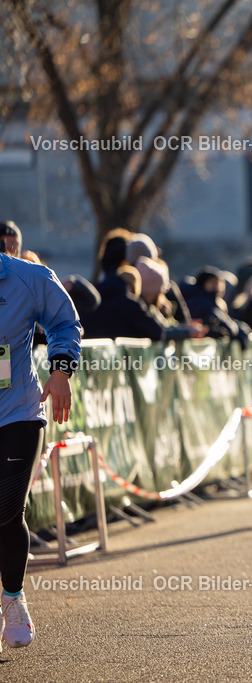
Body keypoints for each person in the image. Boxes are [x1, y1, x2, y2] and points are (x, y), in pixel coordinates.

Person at [0, 247, 82, 652]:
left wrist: (61, 369)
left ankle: (12, 599)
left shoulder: (28, 278)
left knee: (6, 510)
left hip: (17, 413)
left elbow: (65, 323)